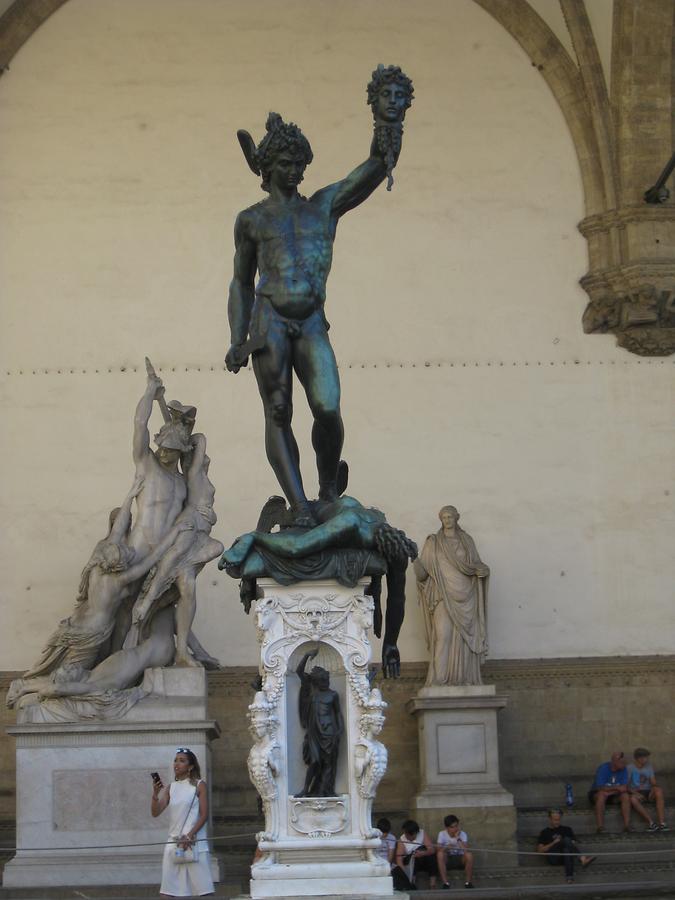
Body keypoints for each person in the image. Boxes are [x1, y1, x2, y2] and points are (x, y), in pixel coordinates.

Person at [225, 66, 413, 526]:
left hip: (311, 321)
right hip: (268, 321)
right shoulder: (251, 220)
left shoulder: (322, 207)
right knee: (279, 408)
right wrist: (235, 336)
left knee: (327, 407)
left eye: (299, 165)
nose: (293, 172)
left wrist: (387, 122)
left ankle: (328, 489)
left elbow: (370, 171)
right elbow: (240, 281)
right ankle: (300, 505)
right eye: (285, 165)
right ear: (267, 169)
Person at [129, 433, 224, 666]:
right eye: (203, 458)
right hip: (190, 526)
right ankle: (147, 601)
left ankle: (184, 650)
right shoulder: (193, 474)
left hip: (200, 531)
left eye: (170, 450)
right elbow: (202, 438)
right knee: (172, 563)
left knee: (187, 587)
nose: (206, 459)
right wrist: (188, 434)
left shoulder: (190, 478)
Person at [415, 506, 489, 686]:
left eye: (450, 517)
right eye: (444, 517)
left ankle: (465, 679)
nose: (447, 520)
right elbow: (422, 574)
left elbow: (476, 564)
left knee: (464, 639)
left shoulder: (466, 541)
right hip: (442, 595)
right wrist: (413, 558)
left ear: (457, 518)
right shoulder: (433, 542)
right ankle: (439, 681)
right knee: (443, 635)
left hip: (467, 596)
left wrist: (483, 570)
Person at [151, 748, 214, 898]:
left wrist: (189, 836)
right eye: (175, 760)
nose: (176, 764)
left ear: (190, 766)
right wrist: (155, 794)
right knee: (166, 894)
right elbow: (156, 812)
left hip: (194, 843)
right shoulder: (171, 787)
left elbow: (204, 815)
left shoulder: (199, 785)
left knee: (204, 892)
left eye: (181, 760)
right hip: (174, 844)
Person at [295, 649, 343, 796]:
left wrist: (340, 730)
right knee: (315, 761)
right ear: (317, 681)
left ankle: (325, 791)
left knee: (328, 764)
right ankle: (305, 789)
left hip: (329, 732)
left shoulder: (333, 695)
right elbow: (299, 672)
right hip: (314, 732)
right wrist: (306, 655)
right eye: (323, 680)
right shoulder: (311, 691)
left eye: (327, 680)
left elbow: (338, 714)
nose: (326, 682)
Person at [536, 808, 595, 884]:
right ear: (550, 819)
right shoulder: (544, 832)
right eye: (555, 820)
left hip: (567, 856)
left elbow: (573, 844)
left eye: (558, 819)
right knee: (565, 840)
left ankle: (569, 877)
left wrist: (570, 842)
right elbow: (540, 851)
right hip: (554, 857)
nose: (557, 822)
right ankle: (582, 858)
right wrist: (554, 843)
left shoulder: (567, 829)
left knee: (566, 849)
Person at [627, 747, 669, 832]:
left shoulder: (648, 766)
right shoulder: (629, 768)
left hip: (647, 791)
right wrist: (634, 793)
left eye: (646, 757)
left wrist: (654, 788)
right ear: (638, 758)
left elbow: (653, 782)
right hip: (636, 792)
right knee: (632, 799)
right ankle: (651, 824)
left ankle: (662, 824)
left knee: (659, 790)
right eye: (644, 757)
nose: (646, 759)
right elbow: (625, 786)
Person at [589, 750, 631, 832]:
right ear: (615, 761)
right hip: (597, 793)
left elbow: (623, 788)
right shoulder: (603, 768)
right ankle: (600, 827)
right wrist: (617, 788)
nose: (624, 765)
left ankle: (627, 825)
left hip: (613, 794)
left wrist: (612, 791)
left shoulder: (624, 769)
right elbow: (600, 787)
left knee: (625, 796)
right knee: (601, 795)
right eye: (622, 763)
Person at [394, 819, 438, 890]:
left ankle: (432, 884)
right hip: (411, 862)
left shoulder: (422, 834)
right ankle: (412, 883)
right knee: (414, 857)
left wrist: (423, 853)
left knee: (431, 856)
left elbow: (432, 849)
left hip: (424, 859)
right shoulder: (402, 840)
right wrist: (404, 875)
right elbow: (399, 859)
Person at [436, 814, 475, 889]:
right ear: (447, 827)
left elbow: (466, 850)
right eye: (452, 827)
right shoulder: (442, 834)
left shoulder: (462, 834)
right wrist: (447, 847)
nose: (455, 828)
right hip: (448, 859)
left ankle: (468, 883)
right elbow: (438, 850)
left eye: (456, 826)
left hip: (460, 859)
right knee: (440, 854)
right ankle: (445, 883)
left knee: (469, 855)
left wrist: (458, 838)